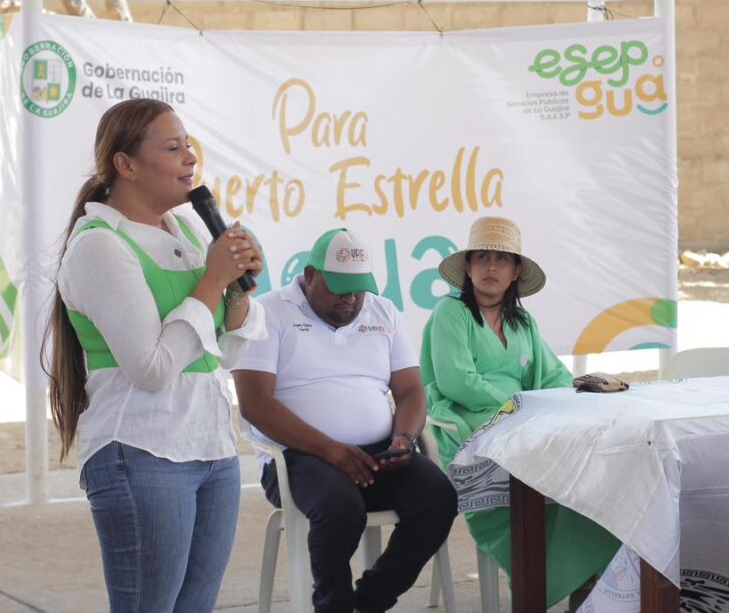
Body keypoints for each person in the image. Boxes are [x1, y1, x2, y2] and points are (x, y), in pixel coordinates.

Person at [43, 98, 267, 612]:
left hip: (210, 447)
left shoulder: (187, 231)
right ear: (126, 165)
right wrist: (213, 279)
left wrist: (236, 289)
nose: (190, 158)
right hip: (142, 451)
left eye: (189, 145)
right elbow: (152, 368)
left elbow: (224, 352)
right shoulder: (100, 246)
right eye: (172, 148)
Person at [232, 228, 457, 613]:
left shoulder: (384, 312)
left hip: (378, 453)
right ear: (310, 276)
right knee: (339, 508)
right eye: (339, 289)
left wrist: (404, 438)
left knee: (438, 497)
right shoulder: (269, 312)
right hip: (299, 458)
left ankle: (369, 602)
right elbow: (254, 404)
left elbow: (410, 391)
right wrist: (331, 450)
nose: (350, 298)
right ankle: (333, 605)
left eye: (358, 289)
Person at [420, 216, 620, 609]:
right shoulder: (450, 313)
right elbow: (458, 382)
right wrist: (519, 405)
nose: (491, 267)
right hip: (474, 429)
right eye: (482, 257)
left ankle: (585, 579)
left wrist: (584, 390)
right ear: (468, 267)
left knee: (583, 469)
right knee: (546, 466)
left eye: (502, 259)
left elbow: (551, 375)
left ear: (515, 272)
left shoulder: (523, 320)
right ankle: (540, 581)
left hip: (525, 423)